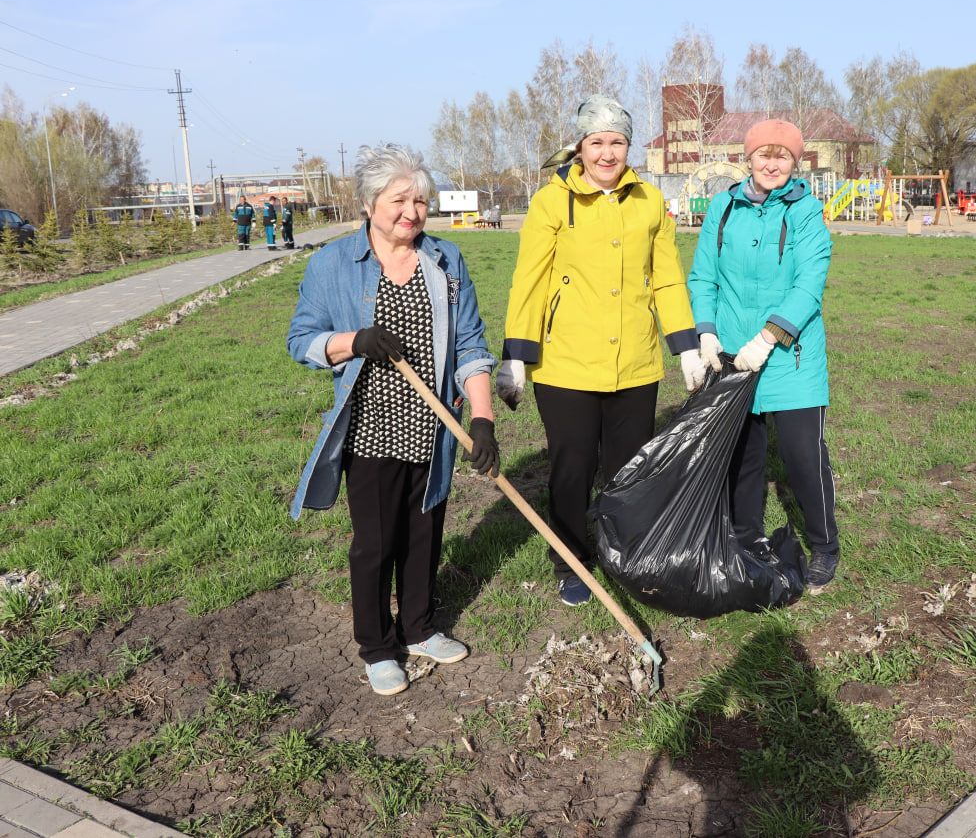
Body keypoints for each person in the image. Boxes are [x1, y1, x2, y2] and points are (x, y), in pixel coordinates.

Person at [287, 143, 498, 696]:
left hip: (435, 428)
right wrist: (352, 341)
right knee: (377, 542)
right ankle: (378, 646)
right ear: (368, 203)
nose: (412, 211)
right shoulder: (332, 263)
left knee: (425, 533)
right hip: (370, 428)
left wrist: (482, 420)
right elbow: (301, 341)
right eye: (399, 199)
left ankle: (420, 628)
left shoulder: (447, 260)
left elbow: (472, 343)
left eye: (421, 201)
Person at [495, 94, 703, 607]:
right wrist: (518, 353)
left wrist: (686, 345)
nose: (607, 154)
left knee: (629, 468)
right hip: (566, 365)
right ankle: (571, 561)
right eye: (597, 143)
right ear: (580, 147)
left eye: (616, 142)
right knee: (572, 468)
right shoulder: (552, 201)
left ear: (627, 146)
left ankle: (622, 553)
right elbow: (531, 281)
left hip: (634, 363)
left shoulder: (649, 201)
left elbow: (668, 279)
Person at [687, 119, 840, 594]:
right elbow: (702, 277)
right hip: (732, 356)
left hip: (791, 358)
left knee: (801, 456)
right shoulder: (723, 207)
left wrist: (770, 337)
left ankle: (825, 546)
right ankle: (745, 537)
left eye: (783, 156)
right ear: (747, 158)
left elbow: (809, 283)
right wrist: (707, 335)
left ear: (795, 163)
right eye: (763, 154)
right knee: (743, 456)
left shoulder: (806, 211)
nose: (772, 163)